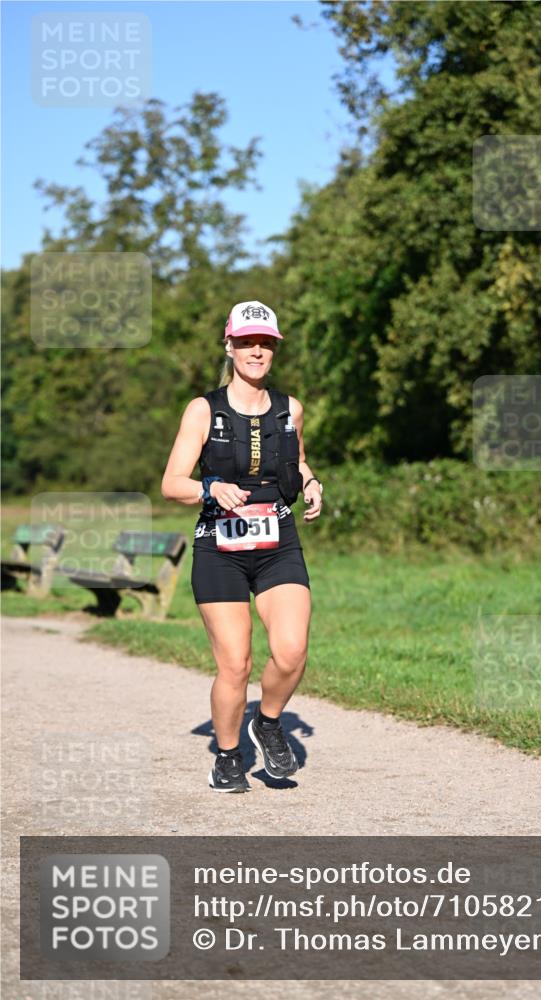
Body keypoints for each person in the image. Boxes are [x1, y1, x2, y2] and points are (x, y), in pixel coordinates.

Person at [161, 300, 323, 792]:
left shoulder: (288, 408)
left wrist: (313, 484)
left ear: (274, 349)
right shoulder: (202, 410)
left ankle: (268, 722)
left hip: (278, 542)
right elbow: (171, 483)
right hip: (219, 547)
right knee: (236, 663)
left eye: (266, 343)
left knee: (291, 652)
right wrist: (209, 489)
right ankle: (228, 757)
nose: (257, 351)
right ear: (229, 345)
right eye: (248, 342)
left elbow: (297, 464)